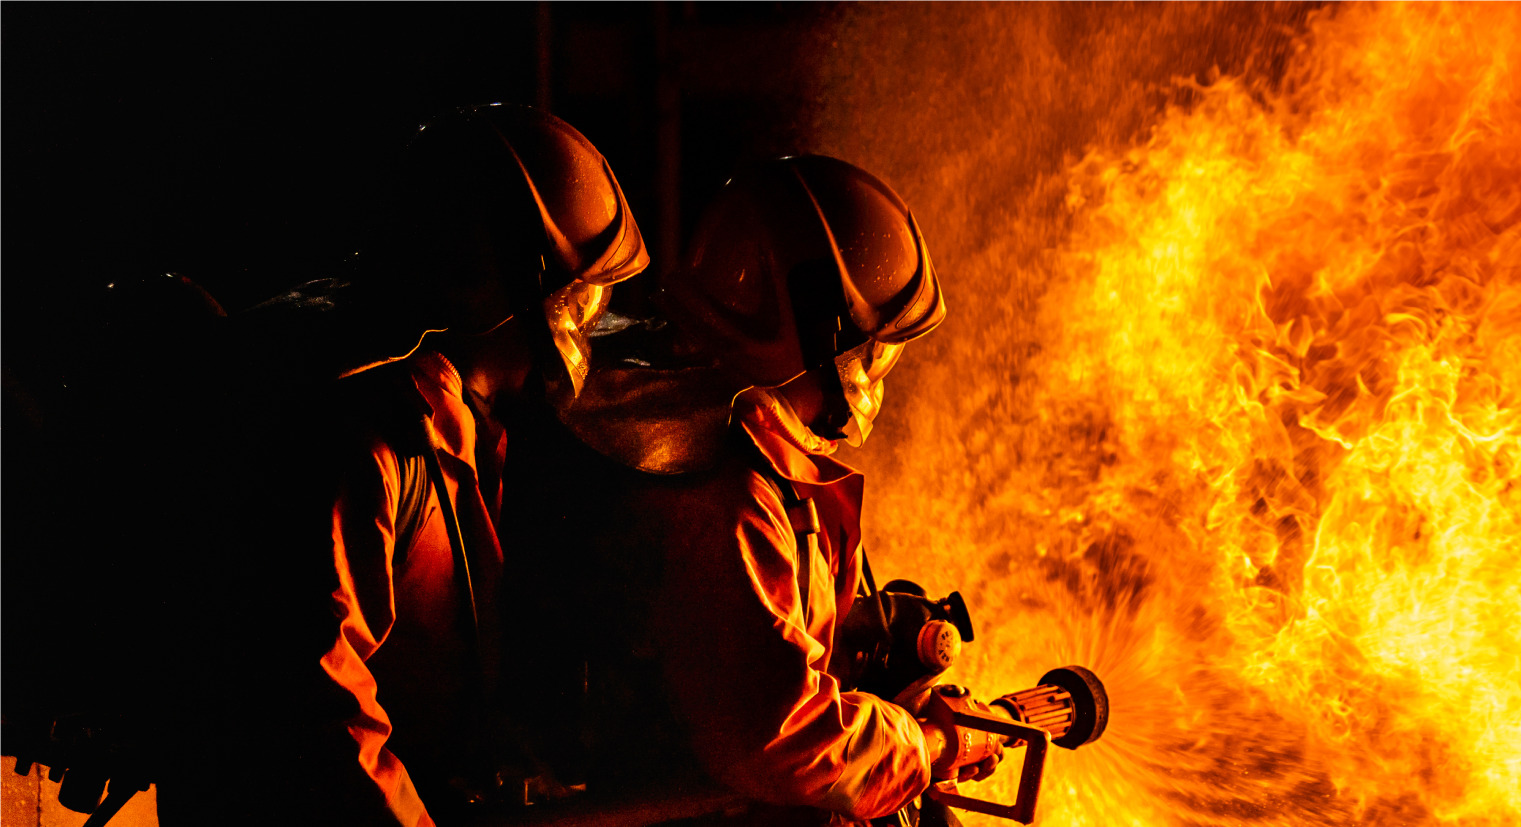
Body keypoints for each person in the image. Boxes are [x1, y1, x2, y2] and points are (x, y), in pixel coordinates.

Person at [152, 104, 649, 827]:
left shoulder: (451, 407)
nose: (588, 323)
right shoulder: (364, 435)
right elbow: (322, 723)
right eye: (580, 299)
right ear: (513, 292)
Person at [528, 154, 1000, 825]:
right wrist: (928, 744)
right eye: (871, 352)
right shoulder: (720, 487)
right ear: (816, 333)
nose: (874, 376)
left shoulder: (668, 414)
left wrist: (857, 646)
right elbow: (776, 735)